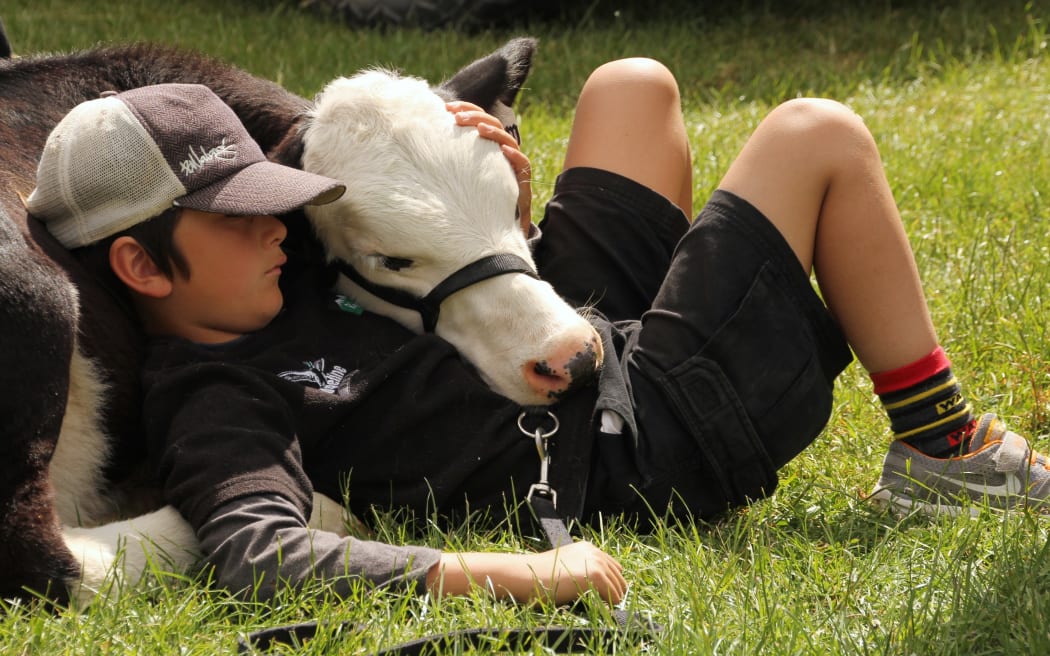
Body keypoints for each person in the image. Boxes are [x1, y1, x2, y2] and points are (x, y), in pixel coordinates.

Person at [28, 83, 626, 605]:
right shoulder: (210, 393)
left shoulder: (288, 287)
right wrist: (513, 573)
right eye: (237, 216)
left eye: (269, 197)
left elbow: (462, 295)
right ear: (142, 266)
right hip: (627, 447)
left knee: (631, 87)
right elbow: (258, 554)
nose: (276, 226)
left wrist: (502, 217)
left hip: (609, 369)